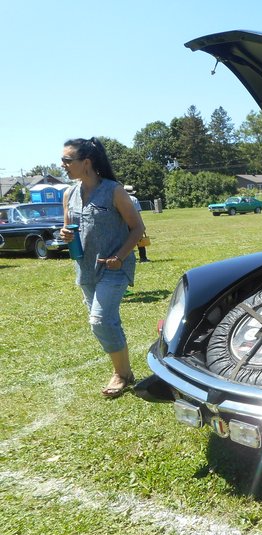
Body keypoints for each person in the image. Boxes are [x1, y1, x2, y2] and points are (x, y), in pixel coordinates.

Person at [60, 137, 145, 398]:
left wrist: (120, 256)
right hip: (85, 269)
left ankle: (120, 375)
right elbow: (68, 227)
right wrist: (64, 233)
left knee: (99, 320)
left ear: (86, 162)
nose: (63, 164)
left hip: (114, 266)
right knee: (107, 321)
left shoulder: (113, 191)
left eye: (67, 160)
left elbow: (138, 228)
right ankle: (126, 372)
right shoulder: (69, 194)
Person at [129, 194, 150, 262]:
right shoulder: (134, 199)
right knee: (140, 240)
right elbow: (138, 213)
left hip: (123, 222)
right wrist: (142, 224)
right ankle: (143, 257)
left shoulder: (119, 197)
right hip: (134, 221)